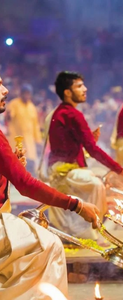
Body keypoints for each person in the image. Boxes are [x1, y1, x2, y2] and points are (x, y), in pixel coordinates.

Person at [0, 76, 101, 299]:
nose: (5, 89)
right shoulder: (68, 113)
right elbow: (26, 185)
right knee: (51, 245)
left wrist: (10, 165)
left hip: (58, 171)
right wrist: (75, 204)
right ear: (67, 92)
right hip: (60, 175)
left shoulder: (57, 114)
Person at [45, 71, 123, 241]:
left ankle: (86, 228)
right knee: (96, 184)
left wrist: (86, 142)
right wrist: (121, 170)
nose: (85, 89)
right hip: (64, 171)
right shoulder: (72, 114)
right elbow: (93, 150)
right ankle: (89, 231)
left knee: (96, 180)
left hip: (63, 168)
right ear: (67, 92)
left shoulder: (62, 112)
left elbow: (70, 145)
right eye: (79, 86)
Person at [5, 84, 42, 175]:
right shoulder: (14, 104)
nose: (27, 96)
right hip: (16, 139)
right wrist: (8, 115)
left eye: (28, 94)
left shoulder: (32, 107)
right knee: (15, 162)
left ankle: (29, 183)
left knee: (30, 163)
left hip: (29, 141)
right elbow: (9, 118)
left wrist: (38, 140)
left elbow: (35, 125)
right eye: (25, 93)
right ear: (21, 94)